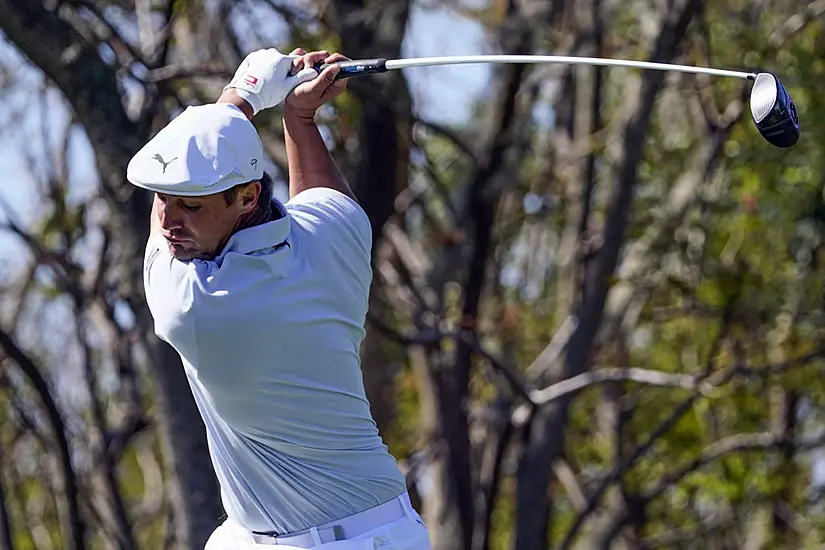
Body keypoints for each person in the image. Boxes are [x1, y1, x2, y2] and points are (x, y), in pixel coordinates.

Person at [126, 47, 431, 549]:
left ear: (247, 197)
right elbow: (322, 199)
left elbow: (188, 175)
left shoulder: (196, 305)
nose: (167, 221)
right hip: (372, 526)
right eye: (163, 198)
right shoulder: (338, 237)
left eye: (190, 205)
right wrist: (300, 117)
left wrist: (244, 93)